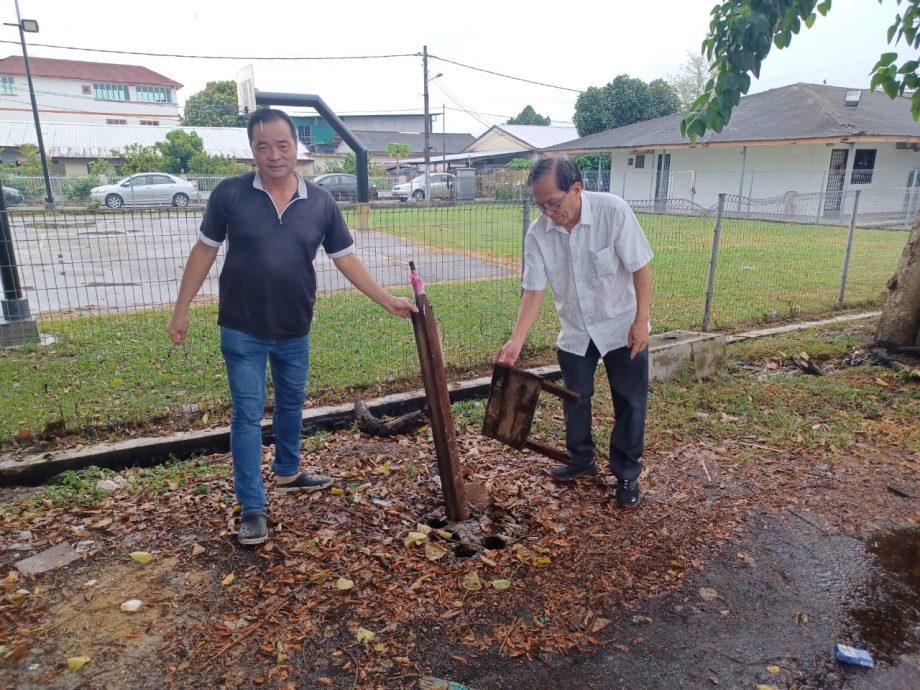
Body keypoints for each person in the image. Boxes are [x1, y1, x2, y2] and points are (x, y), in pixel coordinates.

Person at [167, 108, 417, 545]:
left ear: (296, 147)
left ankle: (287, 471)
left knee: (289, 406)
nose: (274, 154)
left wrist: (387, 299)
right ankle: (252, 507)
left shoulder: (320, 202)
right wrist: (181, 309)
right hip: (242, 328)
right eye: (263, 146)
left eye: (282, 145)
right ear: (252, 150)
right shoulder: (229, 194)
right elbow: (204, 250)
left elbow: (346, 259)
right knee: (247, 414)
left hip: (295, 327)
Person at [495, 155, 653, 509]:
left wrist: (641, 321)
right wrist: (516, 341)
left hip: (621, 325)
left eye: (553, 203)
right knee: (575, 399)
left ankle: (626, 473)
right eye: (540, 205)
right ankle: (581, 460)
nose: (548, 212)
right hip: (576, 331)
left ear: (576, 189)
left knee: (630, 402)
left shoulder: (613, 211)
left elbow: (640, 267)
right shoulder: (537, 233)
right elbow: (533, 290)